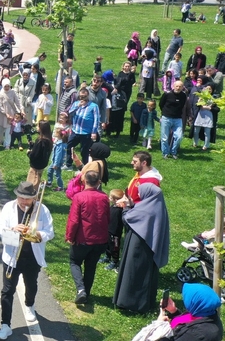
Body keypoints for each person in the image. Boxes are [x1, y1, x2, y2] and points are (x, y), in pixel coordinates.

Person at [0, 182, 54, 340]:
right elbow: (0, 228)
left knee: (31, 284)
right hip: (12, 257)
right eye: (21, 197)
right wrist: (13, 230)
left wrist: (38, 234)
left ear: (34, 197)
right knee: (7, 291)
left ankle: (29, 305)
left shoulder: (42, 210)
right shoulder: (9, 207)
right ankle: (5, 325)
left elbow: (50, 232)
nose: (23, 201)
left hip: (32, 257)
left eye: (27, 199)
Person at [112, 184, 170, 313]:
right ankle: (144, 303)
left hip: (138, 247)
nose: (139, 195)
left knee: (133, 273)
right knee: (144, 276)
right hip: (149, 248)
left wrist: (126, 207)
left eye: (141, 192)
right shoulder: (157, 207)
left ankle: (129, 303)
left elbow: (128, 219)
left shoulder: (146, 210)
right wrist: (132, 206)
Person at [65, 171, 108, 305]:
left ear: (84, 181)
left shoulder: (79, 197)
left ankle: (81, 289)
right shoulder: (104, 197)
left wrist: (70, 236)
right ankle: (86, 293)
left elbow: (74, 220)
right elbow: (108, 218)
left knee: (74, 262)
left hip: (83, 238)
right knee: (91, 266)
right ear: (98, 182)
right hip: (100, 239)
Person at [155, 283, 224, 341]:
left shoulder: (196, 334)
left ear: (195, 303)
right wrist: (174, 311)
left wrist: (158, 325)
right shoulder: (208, 313)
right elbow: (187, 321)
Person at [66, 88, 100, 166]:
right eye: (80, 96)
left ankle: (85, 165)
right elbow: (70, 113)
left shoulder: (94, 106)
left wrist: (94, 132)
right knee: (69, 146)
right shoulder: (76, 104)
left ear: (88, 96)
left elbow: (96, 120)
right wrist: (77, 106)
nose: (82, 98)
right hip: (75, 131)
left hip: (86, 133)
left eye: (84, 96)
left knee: (84, 151)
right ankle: (68, 164)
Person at [159, 80, 188, 159]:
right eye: (177, 86)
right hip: (166, 118)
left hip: (177, 119)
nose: (178, 88)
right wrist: (165, 112)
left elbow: (182, 105)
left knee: (179, 137)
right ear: (173, 86)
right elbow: (161, 104)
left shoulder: (183, 95)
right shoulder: (167, 94)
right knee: (164, 138)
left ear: (182, 87)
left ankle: (173, 152)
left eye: (180, 86)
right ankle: (165, 153)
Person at [26, 121, 53, 188]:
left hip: (36, 166)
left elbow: (34, 155)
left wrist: (29, 153)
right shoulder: (48, 139)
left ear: (41, 128)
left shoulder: (41, 141)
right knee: (37, 179)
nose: (36, 127)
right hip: (42, 165)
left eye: (38, 126)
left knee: (32, 182)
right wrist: (33, 144)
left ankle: (31, 193)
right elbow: (40, 150)